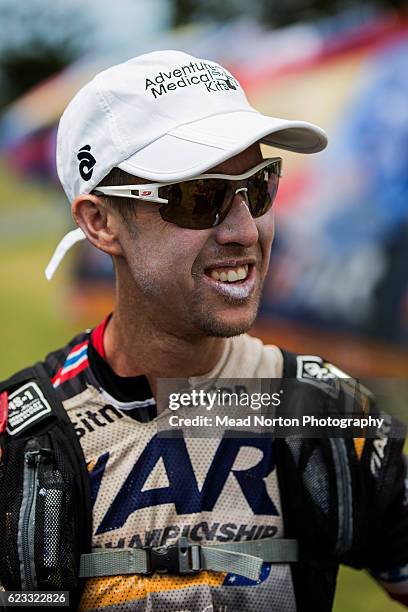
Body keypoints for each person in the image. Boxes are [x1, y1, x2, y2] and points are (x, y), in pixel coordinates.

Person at [0, 50, 407, 612]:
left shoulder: (327, 412)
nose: (246, 230)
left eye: (260, 187)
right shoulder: (24, 440)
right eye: (200, 198)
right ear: (100, 221)